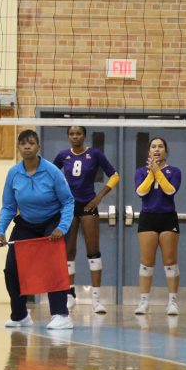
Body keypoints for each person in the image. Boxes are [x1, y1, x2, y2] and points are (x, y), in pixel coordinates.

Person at [0, 129, 74, 330]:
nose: (27, 146)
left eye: (31, 143)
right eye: (22, 143)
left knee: (52, 266)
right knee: (12, 268)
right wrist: (0, 231)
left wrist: (61, 228)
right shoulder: (14, 173)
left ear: (38, 147)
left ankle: (61, 314)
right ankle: (20, 316)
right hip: (26, 223)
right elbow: (9, 207)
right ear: (19, 148)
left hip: (51, 222)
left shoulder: (52, 171)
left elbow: (68, 201)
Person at [52, 125, 119, 314]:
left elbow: (115, 175)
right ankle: (69, 294)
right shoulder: (63, 155)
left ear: (84, 136)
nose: (75, 136)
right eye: (72, 134)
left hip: (89, 205)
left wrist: (100, 196)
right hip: (68, 207)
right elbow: (50, 175)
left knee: (93, 251)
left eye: (78, 133)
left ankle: (96, 299)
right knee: (68, 251)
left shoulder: (95, 154)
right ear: (68, 137)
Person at [132, 137, 182, 316]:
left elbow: (170, 190)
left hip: (168, 217)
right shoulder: (140, 172)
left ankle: (172, 302)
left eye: (161, 146)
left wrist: (157, 172)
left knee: (170, 261)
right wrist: (151, 172)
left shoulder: (174, 171)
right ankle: (144, 301)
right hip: (148, 217)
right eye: (153, 147)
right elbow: (141, 191)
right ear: (149, 151)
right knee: (146, 262)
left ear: (166, 151)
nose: (157, 149)